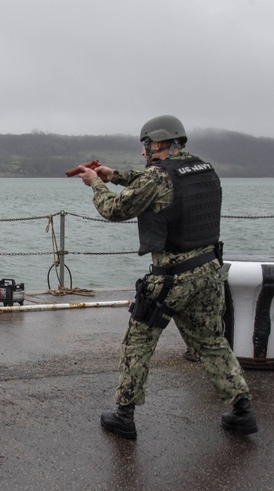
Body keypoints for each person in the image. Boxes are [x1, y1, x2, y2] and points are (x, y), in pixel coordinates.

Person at [75, 115, 257, 440]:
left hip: (173, 278)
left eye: (146, 145)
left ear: (157, 143)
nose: (144, 152)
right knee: (211, 341)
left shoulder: (159, 177)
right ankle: (242, 409)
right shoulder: (205, 169)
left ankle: (124, 414)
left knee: (138, 342)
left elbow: (115, 209)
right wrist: (115, 174)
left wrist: (97, 184)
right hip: (211, 272)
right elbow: (155, 184)